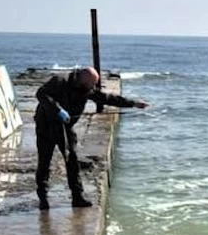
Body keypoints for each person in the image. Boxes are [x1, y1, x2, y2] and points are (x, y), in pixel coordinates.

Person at [34, 66, 148, 210]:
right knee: (44, 161)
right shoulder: (60, 81)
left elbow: (107, 98)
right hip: (46, 125)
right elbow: (41, 94)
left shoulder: (86, 90)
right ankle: (43, 198)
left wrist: (133, 103)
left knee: (73, 160)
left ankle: (77, 197)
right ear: (82, 79)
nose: (93, 87)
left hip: (66, 127)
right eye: (92, 84)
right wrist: (58, 110)